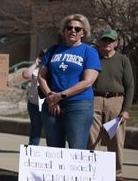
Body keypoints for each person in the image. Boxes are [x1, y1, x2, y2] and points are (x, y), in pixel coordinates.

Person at [38, 14, 100, 150]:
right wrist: (50, 96)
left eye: (77, 29)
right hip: (52, 103)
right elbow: (41, 76)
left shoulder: (89, 51)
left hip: (79, 105)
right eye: (69, 27)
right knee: (54, 149)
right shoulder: (53, 50)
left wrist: (60, 95)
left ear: (83, 33)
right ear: (64, 30)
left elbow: (88, 82)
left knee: (76, 148)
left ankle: (75, 172)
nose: (73, 31)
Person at [87, 29, 132, 181]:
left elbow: (130, 86)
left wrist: (126, 109)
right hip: (95, 99)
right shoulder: (93, 57)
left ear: (116, 43)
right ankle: (94, 172)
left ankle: (117, 174)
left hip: (116, 101)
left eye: (110, 41)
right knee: (93, 138)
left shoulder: (123, 60)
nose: (107, 43)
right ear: (99, 42)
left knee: (117, 139)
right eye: (104, 40)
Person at [22, 49, 46, 146]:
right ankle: (33, 147)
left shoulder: (51, 67)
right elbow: (26, 75)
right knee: (35, 127)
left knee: (50, 128)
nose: (43, 56)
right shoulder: (36, 68)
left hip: (46, 103)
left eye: (45, 55)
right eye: (41, 54)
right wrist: (36, 62)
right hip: (34, 103)